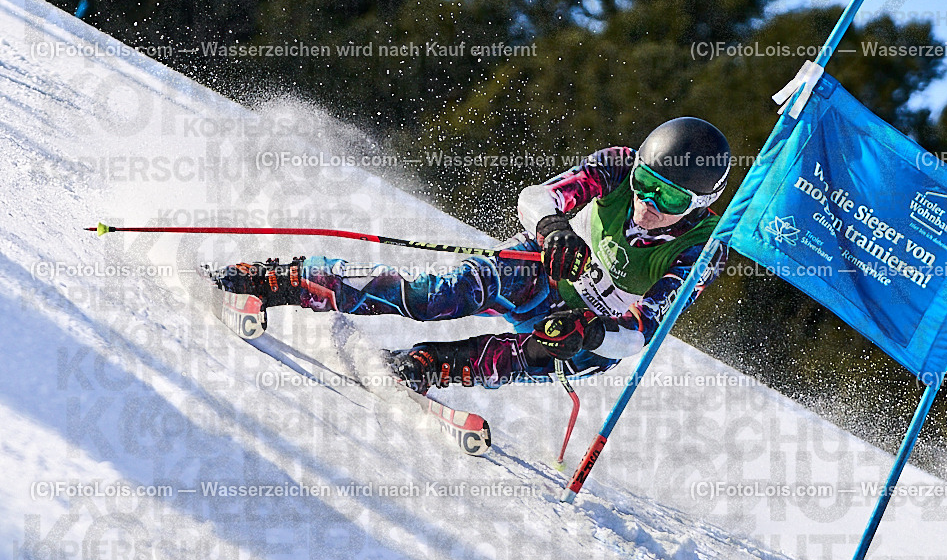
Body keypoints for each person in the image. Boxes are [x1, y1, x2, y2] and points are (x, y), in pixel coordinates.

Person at [211, 117, 731, 394]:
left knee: (533, 354)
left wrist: (593, 331)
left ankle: (429, 366)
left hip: (588, 331)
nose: (645, 204)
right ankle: (293, 281)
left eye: (669, 199)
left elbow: (644, 330)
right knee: (434, 295)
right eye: (645, 184)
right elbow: (538, 197)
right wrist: (553, 229)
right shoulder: (616, 167)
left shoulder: (702, 250)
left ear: (701, 205)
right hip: (542, 274)